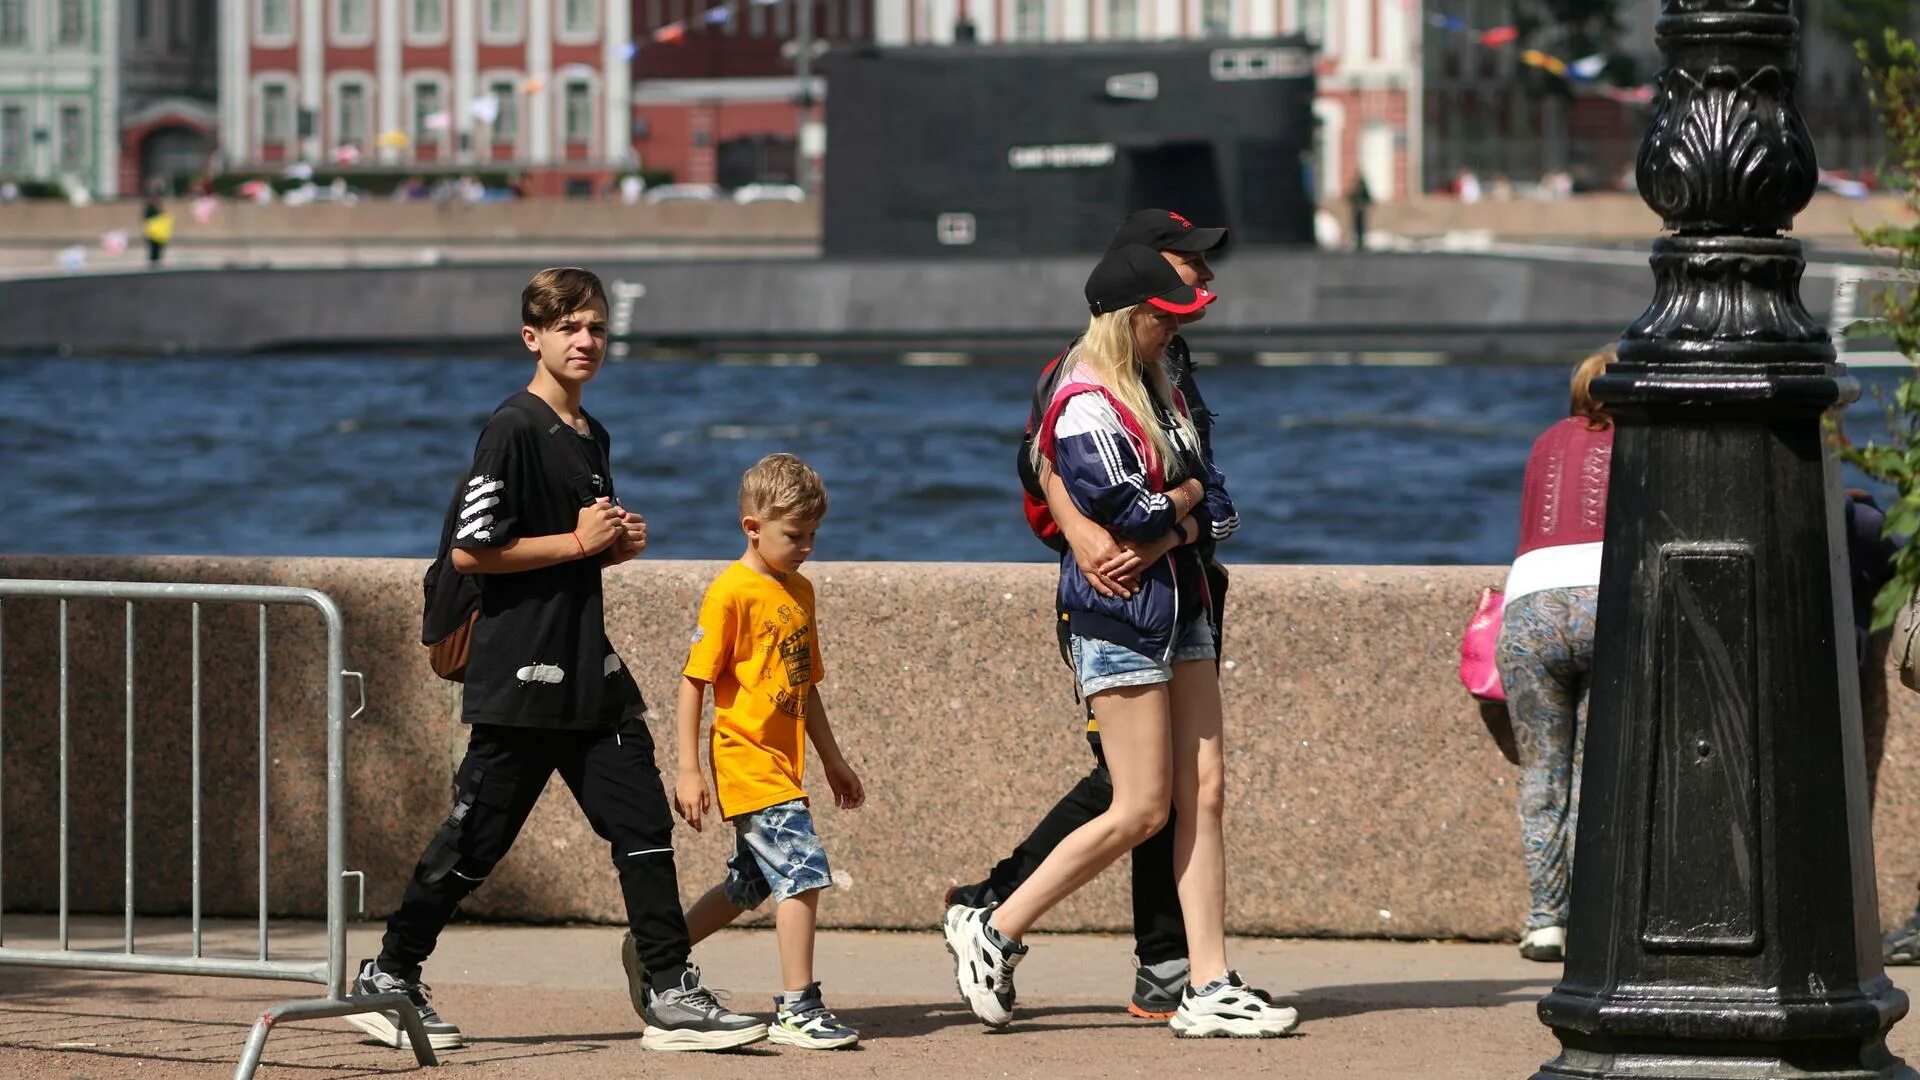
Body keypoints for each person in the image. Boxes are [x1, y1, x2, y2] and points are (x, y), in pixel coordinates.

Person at [349, 267, 768, 1054]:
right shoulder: (513, 427)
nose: (586, 341)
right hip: (522, 671)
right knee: (474, 844)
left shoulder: (592, 435)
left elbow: (558, 552)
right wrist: (579, 542)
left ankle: (671, 992)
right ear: (532, 337)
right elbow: (474, 552)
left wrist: (609, 551)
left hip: (587, 666)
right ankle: (389, 975)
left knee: (641, 823)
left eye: (597, 328)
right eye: (569, 327)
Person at [943, 244, 1296, 1039]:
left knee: (1203, 793)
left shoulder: (1157, 386)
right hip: (1122, 618)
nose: (1175, 334)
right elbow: (1132, 515)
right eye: (1165, 321)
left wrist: (1186, 508)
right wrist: (1189, 502)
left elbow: (1219, 508)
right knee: (1139, 807)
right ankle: (994, 925)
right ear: (1132, 319)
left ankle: (1208, 983)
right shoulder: (1087, 399)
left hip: (1185, 608)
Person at [650, 452, 868, 1049]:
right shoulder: (731, 593)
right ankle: (799, 1006)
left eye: (814, 534)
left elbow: (805, 685)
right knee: (803, 872)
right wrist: (689, 769)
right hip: (745, 759)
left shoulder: (800, 591)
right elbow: (693, 681)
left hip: (786, 763)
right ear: (753, 527)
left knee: (751, 884)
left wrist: (832, 759)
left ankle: (655, 951)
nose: (807, 547)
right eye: (795, 535)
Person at [1492, 346, 1615, 963]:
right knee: (1595, 771)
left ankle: (1545, 920)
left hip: (1530, 608)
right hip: (1606, 605)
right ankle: (1592, 917)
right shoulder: (1641, 444)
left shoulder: (1546, 440)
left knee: (1543, 773)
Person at [142, 199, 174, 266]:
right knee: (154, 251)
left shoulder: (158, 211)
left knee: (157, 252)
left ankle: (155, 264)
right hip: (154, 235)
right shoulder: (151, 211)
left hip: (159, 235)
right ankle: (154, 265)